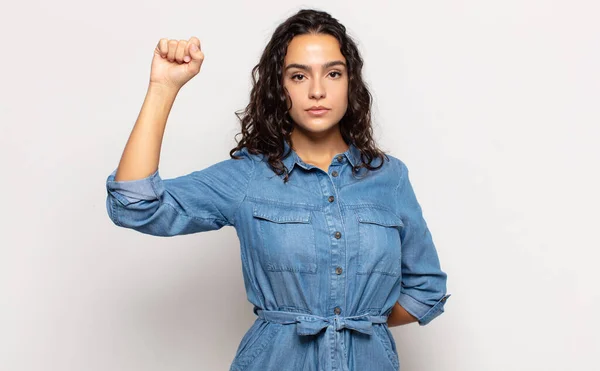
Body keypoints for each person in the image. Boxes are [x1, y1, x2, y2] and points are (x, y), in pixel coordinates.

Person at [105, 8, 450, 371]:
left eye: (333, 73)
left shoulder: (389, 177)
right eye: (299, 76)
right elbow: (135, 204)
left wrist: (362, 322)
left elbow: (425, 287)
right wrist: (163, 88)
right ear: (278, 87)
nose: (317, 91)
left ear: (351, 82)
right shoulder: (248, 177)